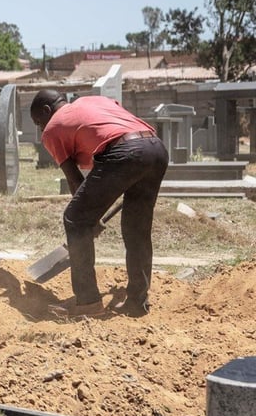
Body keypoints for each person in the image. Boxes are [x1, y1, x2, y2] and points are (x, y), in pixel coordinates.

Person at [30, 90, 168, 317]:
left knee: (74, 219)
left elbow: (75, 181)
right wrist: (92, 214)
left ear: (47, 111)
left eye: (38, 123)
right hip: (155, 147)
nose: (41, 129)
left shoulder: (54, 127)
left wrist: (88, 219)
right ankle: (137, 301)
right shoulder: (95, 100)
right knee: (136, 231)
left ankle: (88, 302)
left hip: (125, 153)